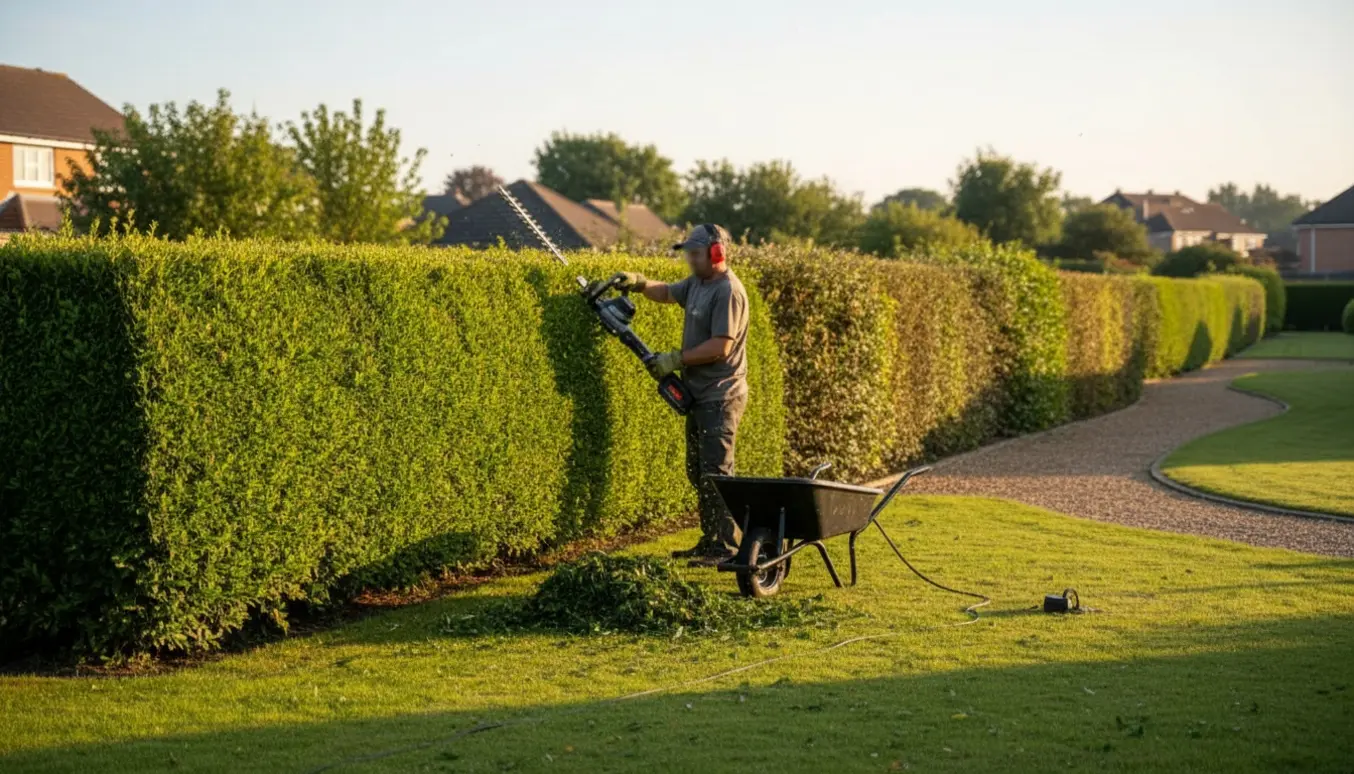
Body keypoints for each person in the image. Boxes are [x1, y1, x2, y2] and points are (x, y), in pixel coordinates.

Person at [607, 224, 749, 565]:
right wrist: (640, 283)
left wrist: (676, 359)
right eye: (688, 253)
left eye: (695, 254)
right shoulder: (698, 283)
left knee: (716, 473)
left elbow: (721, 346)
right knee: (697, 471)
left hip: (721, 394)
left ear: (716, 253)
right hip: (698, 393)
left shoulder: (728, 291)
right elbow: (668, 293)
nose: (690, 260)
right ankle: (711, 539)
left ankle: (726, 546)